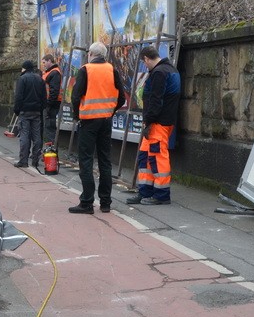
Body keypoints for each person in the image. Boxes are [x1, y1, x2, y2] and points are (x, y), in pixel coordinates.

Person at [69, 41, 126, 214]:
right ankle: (106, 203)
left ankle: (87, 202)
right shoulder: (112, 70)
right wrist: (110, 111)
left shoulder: (85, 70)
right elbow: (122, 98)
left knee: (86, 160)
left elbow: (75, 96)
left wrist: (77, 116)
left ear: (91, 54)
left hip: (88, 121)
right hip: (106, 120)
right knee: (105, 160)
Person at [127, 46, 181, 205]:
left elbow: (156, 100)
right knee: (146, 156)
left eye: (144, 63)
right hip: (160, 122)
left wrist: (148, 121)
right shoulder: (170, 70)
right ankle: (145, 192)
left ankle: (161, 195)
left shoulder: (159, 73)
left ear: (146, 59)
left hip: (157, 123)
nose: (145, 66)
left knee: (157, 157)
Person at [13, 60, 46, 169]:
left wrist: (17, 110)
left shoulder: (22, 79)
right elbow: (44, 97)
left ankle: (23, 161)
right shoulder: (40, 79)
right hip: (36, 112)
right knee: (37, 136)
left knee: (24, 136)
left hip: (25, 112)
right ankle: (35, 160)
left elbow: (19, 97)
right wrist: (40, 109)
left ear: (24, 68)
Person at [41, 54, 62, 145]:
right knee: (48, 129)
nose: (43, 64)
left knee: (49, 129)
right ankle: (49, 153)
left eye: (44, 62)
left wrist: (48, 105)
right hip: (50, 104)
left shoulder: (54, 73)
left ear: (49, 61)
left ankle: (50, 153)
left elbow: (54, 92)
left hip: (51, 105)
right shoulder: (51, 73)